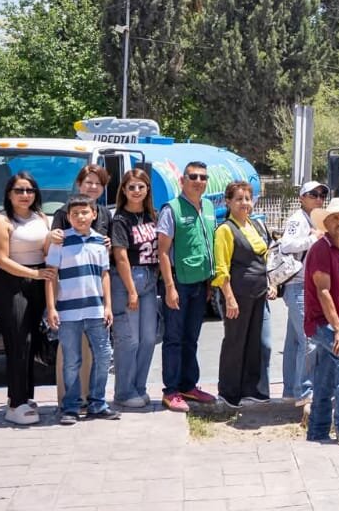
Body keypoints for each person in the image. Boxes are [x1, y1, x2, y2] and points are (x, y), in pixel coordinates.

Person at [44, 195, 116, 425]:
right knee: (72, 360)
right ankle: (71, 406)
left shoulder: (100, 242)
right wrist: (51, 307)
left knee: (104, 356)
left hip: (96, 311)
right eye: (75, 214)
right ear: (68, 217)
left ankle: (97, 402)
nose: (80, 217)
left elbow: (104, 275)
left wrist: (108, 306)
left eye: (85, 213)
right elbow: (51, 276)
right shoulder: (61, 241)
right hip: (68, 313)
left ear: (94, 214)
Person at [0, 172, 49, 426]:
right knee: (18, 341)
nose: (25, 195)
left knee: (33, 340)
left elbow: (45, 250)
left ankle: (26, 396)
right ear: (9, 194)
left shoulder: (42, 217)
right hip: (11, 284)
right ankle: (15, 402)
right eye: (19, 190)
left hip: (38, 281)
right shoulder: (1, 222)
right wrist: (33, 273)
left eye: (29, 190)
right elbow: (2, 260)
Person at [157, 162, 217, 412]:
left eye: (203, 176)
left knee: (191, 338)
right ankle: (170, 391)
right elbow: (162, 252)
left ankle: (188, 385)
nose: (198, 180)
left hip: (201, 283)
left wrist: (210, 284)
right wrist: (170, 287)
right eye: (193, 176)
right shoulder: (172, 209)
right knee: (174, 338)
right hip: (179, 282)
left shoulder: (209, 206)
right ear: (182, 180)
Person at [105, 166, 161, 411]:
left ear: (147, 189)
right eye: (131, 187)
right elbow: (121, 257)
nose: (136, 191)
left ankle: (139, 387)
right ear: (124, 191)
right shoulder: (120, 220)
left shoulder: (153, 216)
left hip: (150, 280)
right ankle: (124, 391)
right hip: (128, 281)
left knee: (149, 338)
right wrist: (131, 290)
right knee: (129, 340)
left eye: (141, 186)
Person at [305, 198, 339, 447]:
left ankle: (317, 431)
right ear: (326, 222)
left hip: (338, 324)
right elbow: (323, 291)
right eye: (336, 218)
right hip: (321, 322)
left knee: (326, 375)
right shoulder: (321, 249)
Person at [215, 181, 274, 407]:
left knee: (255, 344)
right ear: (228, 202)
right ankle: (229, 393)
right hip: (237, 295)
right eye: (238, 199)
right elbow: (221, 268)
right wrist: (229, 297)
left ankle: (252, 392)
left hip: (259, 293)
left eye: (247, 198)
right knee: (235, 342)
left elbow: (266, 258)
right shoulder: (225, 230)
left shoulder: (256, 226)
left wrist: (271, 283)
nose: (244, 203)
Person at [275, 180, 328, 405]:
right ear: (302, 197)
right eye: (313, 194)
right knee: (309, 340)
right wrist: (312, 239)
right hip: (297, 284)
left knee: (295, 341)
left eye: (321, 195)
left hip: (305, 285)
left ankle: (290, 389)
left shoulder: (314, 219)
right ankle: (303, 392)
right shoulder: (298, 219)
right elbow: (286, 245)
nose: (318, 198)